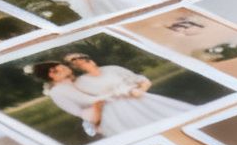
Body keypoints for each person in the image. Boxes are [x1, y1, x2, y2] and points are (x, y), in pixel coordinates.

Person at [66, 52, 195, 134]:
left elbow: (141, 80)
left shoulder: (112, 69)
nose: (80, 62)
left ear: (90, 59)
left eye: (84, 59)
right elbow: (92, 103)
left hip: (140, 100)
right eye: (75, 62)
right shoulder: (81, 83)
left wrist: (140, 90)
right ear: (74, 67)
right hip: (115, 110)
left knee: (177, 120)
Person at [30, 59, 106, 137]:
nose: (66, 67)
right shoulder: (58, 91)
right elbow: (87, 104)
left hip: (104, 110)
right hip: (99, 117)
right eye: (63, 68)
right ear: (52, 73)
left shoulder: (72, 82)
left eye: (65, 67)